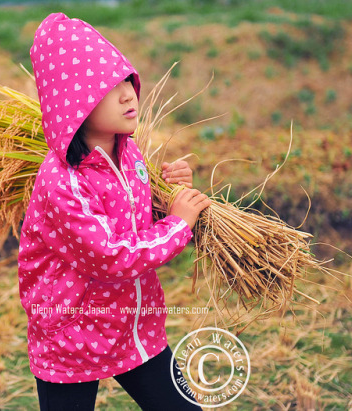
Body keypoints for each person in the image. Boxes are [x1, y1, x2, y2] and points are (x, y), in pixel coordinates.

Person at [18, 12, 211, 410]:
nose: (128, 94)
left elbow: (134, 221)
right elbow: (109, 255)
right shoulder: (63, 182)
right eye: (109, 88)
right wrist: (178, 224)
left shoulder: (128, 154)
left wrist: (169, 195)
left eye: (127, 80)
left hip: (130, 327)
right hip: (69, 336)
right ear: (74, 105)